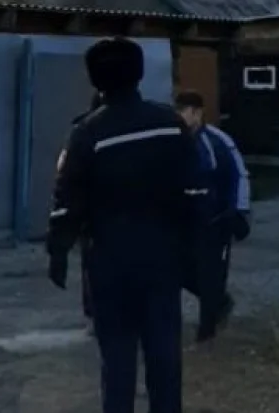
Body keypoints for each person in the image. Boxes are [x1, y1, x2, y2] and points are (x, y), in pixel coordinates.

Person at [46, 38, 209, 413]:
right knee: (165, 359)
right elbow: (196, 190)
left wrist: (58, 251)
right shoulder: (170, 125)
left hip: (110, 268)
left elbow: (66, 201)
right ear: (138, 74)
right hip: (161, 265)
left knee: (117, 365)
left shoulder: (87, 133)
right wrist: (198, 253)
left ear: (96, 81)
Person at [173, 90, 251, 343]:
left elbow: (239, 175)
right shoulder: (173, 141)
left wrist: (239, 211)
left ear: (197, 113)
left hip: (216, 221)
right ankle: (220, 301)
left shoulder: (217, 141)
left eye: (183, 112)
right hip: (184, 221)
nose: (180, 118)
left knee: (210, 274)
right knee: (178, 270)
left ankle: (206, 333)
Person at [71, 91, 105, 331]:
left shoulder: (81, 128)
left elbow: (68, 176)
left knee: (92, 266)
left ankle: (96, 313)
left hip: (92, 211)